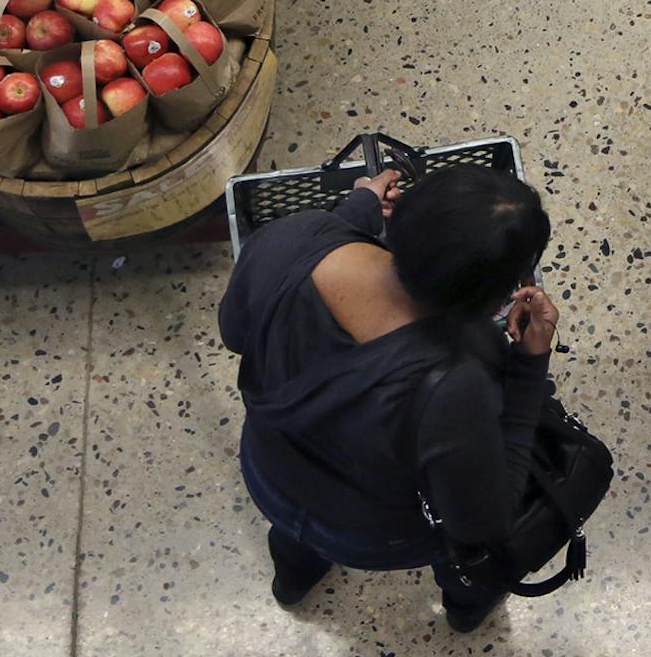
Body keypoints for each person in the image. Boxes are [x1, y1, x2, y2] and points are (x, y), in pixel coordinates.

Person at [218, 163, 560, 632]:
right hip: (370, 533)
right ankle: (465, 610)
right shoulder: (458, 377)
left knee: (295, 538)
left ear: (401, 214)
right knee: (465, 556)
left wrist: (352, 211)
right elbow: (482, 522)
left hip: (270, 471)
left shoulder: (290, 239)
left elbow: (234, 333)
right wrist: (529, 366)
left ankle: (292, 582)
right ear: (495, 299)